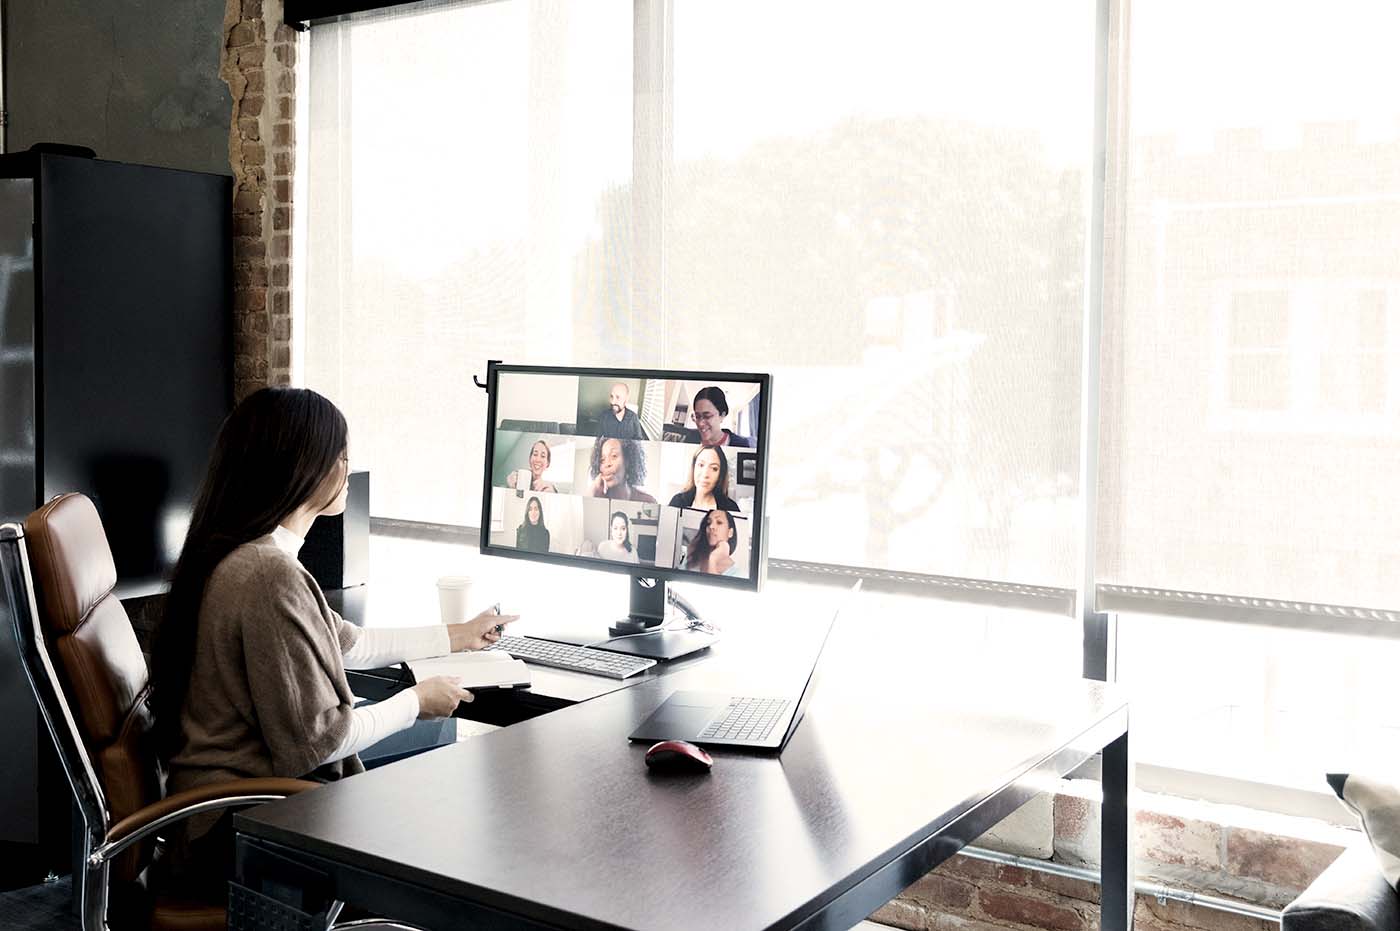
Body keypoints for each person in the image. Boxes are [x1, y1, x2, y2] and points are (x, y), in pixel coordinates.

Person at [150, 387, 519, 887]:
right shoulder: (266, 574)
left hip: (233, 810)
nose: (348, 469)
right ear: (301, 469)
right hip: (245, 826)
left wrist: (459, 635)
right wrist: (416, 701)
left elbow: (349, 644)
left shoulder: (250, 554)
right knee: (451, 797)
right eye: (341, 456)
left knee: (437, 753)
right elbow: (319, 743)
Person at [667, 445, 740, 512]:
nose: (705, 474)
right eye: (701, 465)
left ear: (720, 475)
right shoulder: (677, 502)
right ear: (693, 468)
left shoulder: (731, 508)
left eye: (714, 468)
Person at [587, 436, 656, 502]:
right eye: (602, 460)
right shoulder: (597, 498)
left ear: (627, 461)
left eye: (614, 456)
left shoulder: (647, 500)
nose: (607, 464)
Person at [687, 386, 752, 448]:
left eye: (707, 416)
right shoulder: (689, 439)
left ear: (722, 415)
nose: (700, 423)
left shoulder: (740, 445)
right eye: (697, 416)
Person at [683, 508, 742, 576]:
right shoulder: (692, 558)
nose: (711, 526)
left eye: (719, 522)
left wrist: (713, 559)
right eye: (708, 523)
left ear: (730, 532)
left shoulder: (738, 574)